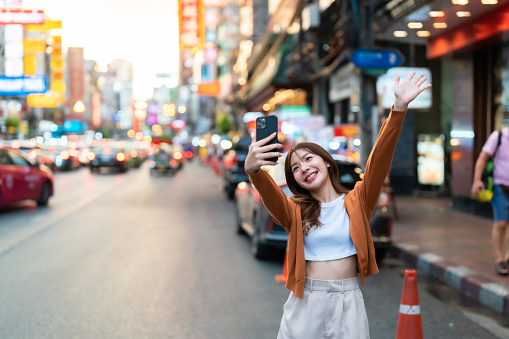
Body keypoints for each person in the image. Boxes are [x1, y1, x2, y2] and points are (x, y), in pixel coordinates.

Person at [244, 72, 431, 339]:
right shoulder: (295, 210)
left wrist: (398, 109)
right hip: (306, 301)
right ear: (295, 180)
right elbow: (270, 194)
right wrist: (253, 171)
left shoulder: (358, 201)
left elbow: (378, 161)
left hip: (348, 301)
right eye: (295, 168)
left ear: (327, 161)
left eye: (309, 159)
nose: (304, 168)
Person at [471, 126, 509, 275]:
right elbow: (482, 158)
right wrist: (476, 180)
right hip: (500, 187)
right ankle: (499, 259)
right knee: (501, 223)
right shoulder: (498, 136)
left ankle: (507, 258)